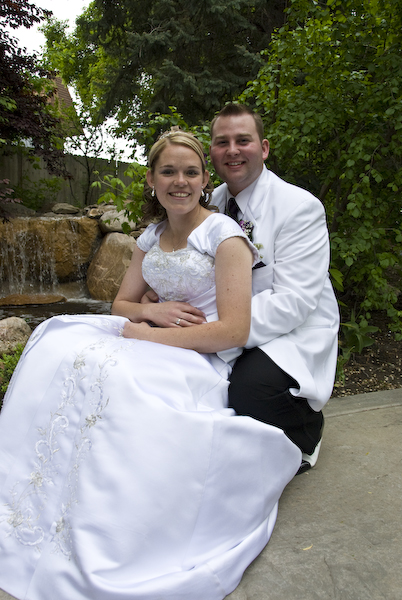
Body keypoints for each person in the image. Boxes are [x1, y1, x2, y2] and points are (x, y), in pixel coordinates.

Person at [0, 131, 301, 600]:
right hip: (153, 335)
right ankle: (43, 498)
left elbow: (233, 331)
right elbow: (121, 304)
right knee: (59, 348)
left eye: (191, 172)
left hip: (199, 352)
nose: (180, 181)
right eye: (168, 171)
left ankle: (110, 523)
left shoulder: (224, 236)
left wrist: (149, 333)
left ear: (204, 180)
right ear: (151, 179)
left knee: (118, 381)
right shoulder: (152, 236)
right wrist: (152, 311)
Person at [210, 103, 340, 472]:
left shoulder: (299, 207)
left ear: (264, 148)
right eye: (222, 142)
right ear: (212, 152)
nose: (232, 150)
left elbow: (293, 302)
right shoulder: (210, 203)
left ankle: (304, 433)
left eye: (243, 140)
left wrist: (219, 331)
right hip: (226, 322)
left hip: (290, 329)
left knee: (250, 390)